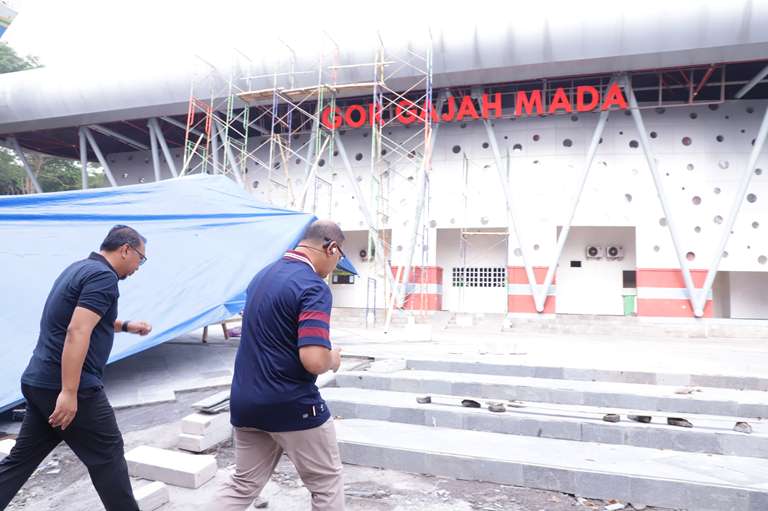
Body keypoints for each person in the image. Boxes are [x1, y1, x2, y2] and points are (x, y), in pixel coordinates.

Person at [0, 225, 153, 511]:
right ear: (126, 250)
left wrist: (127, 326)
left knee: (21, 460)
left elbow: (81, 319)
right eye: (140, 259)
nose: (138, 267)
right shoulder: (104, 277)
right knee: (108, 457)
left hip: (39, 381)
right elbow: (76, 331)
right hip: (70, 387)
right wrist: (69, 392)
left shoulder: (78, 269)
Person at [217, 219, 346, 511]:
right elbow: (313, 360)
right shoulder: (313, 286)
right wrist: (333, 358)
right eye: (339, 257)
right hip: (292, 404)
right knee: (327, 482)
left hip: (246, 402)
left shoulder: (262, 276)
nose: (336, 264)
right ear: (331, 247)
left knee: (242, 484)